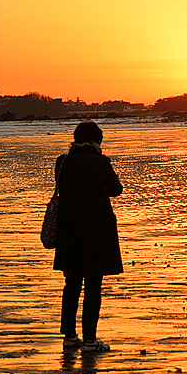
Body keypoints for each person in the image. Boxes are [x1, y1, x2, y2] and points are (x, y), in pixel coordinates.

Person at [53, 121, 123, 352]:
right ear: (96, 141)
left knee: (71, 284)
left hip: (69, 231)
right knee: (93, 285)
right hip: (96, 232)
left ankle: (69, 337)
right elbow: (116, 190)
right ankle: (90, 340)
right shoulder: (100, 162)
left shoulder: (63, 162)